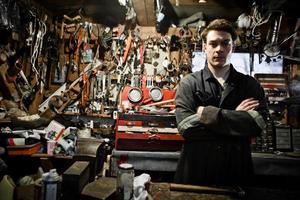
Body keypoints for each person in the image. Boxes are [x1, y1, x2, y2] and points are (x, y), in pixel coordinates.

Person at [174, 19, 269, 186]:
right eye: (213, 43)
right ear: (204, 47)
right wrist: (238, 117)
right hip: (196, 173)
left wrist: (206, 114)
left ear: (233, 46)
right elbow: (185, 127)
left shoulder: (249, 84)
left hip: (236, 174)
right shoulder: (189, 83)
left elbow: (258, 123)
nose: (219, 49)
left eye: (225, 43)